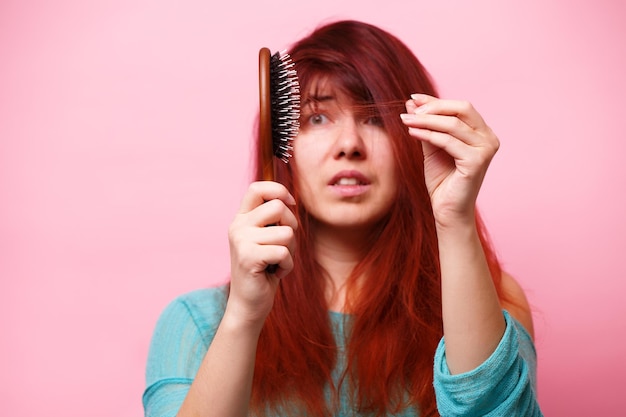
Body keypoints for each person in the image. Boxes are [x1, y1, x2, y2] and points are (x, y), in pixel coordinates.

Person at [143, 19, 543, 417]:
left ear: (418, 134)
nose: (349, 145)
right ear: (285, 146)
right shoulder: (196, 324)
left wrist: (455, 219)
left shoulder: (492, 299)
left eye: (374, 119)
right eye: (317, 118)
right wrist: (244, 317)